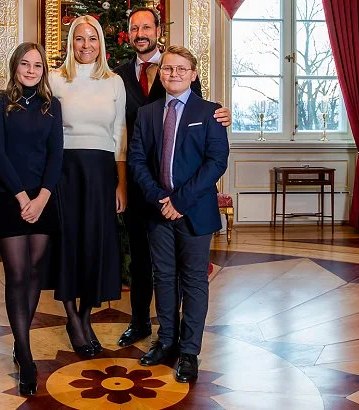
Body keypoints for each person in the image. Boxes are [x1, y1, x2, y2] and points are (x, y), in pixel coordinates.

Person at [113, 7, 231, 347]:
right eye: (134, 28)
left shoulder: (179, 70)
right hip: (145, 189)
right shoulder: (117, 76)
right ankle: (143, 326)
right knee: (145, 264)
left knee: (190, 276)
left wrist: (221, 115)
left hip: (188, 196)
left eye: (146, 27)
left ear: (157, 30)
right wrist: (153, 193)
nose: (140, 33)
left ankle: (187, 347)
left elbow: (205, 117)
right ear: (128, 32)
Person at [128, 45, 229, 383]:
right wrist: (160, 199)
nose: (173, 74)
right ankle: (166, 340)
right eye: (168, 69)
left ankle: (189, 351)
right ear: (161, 73)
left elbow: (216, 162)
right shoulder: (146, 114)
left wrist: (180, 201)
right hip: (158, 212)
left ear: (193, 74)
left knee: (194, 280)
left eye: (181, 69)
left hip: (194, 212)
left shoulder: (210, 112)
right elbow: (137, 161)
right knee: (164, 278)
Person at [0, 42, 63, 396]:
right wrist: (21, 198)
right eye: (25, 64)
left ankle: (20, 341)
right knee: (16, 274)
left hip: (43, 199)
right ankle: (26, 357)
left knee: (33, 272)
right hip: (8, 197)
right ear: (15, 65)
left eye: (38, 65)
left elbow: (56, 154)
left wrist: (43, 197)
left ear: (44, 70)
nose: (31, 70)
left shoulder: (52, 106)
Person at [49, 15, 127, 357]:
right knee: (68, 245)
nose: (86, 45)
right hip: (64, 170)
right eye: (79, 39)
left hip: (100, 172)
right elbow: (42, 130)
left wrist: (120, 185)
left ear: (101, 44)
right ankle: (72, 318)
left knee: (96, 246)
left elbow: (119, 135)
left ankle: (82, 317)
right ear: (71, 43)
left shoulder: (113, 82)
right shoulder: (55, 80)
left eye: (92, 39)